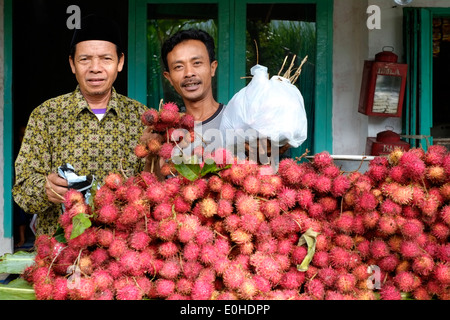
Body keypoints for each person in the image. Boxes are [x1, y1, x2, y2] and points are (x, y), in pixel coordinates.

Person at [12, 14, 148, 237]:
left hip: (122, 253)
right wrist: (45, 188)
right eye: (85, 59)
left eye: (106, 58)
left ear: (120, 62)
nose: (95, 68)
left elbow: (151, 187)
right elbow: (23, 189)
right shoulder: (46, 115)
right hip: (60, 256)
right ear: (72, 64)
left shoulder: (140, 117)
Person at [141, 28, 289, 167]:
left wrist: (267, 152)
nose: (189, 73)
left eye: (197, 63)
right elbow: (154, 185)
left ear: (212, 68)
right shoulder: (165, 134)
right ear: (169, 78)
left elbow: (265, 178)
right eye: (179, 67)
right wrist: (151, 158)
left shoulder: (241, 122)